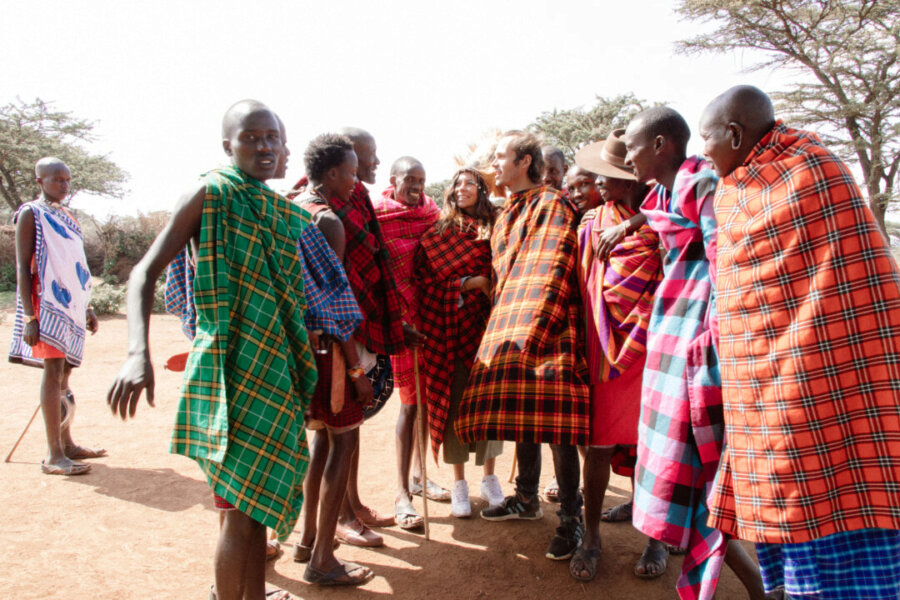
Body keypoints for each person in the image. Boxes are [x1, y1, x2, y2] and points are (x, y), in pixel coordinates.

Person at [108, 100, 313, 600]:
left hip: (275, 365)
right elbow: (143, 274)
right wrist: (138, 352)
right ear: (228, 146)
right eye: (251, 137)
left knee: (255, 504)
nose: (264, 146)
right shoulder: (210, 192)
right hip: (229, 369)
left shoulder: (280, 210)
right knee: (239, 513)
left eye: (273, 138)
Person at [701, 85, 900, 600]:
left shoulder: (814, 173)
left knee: (833, 502)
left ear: (736, 134)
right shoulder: (735, 190)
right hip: (765, 395)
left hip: (829, 388)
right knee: (791, 507)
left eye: (708, 140)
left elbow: (852, 289)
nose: (704, 152)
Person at [623, 107, 763, 599]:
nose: (628, 158)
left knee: (710, 468)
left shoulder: (701, 182)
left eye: (634, 148)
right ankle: (760, 587)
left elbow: (725, 258)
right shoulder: (663, 194)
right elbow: (664, 217)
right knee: (690, 469)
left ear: (661, 144)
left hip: (700, 340)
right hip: (672, 334)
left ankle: (765, 583)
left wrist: (712, 340)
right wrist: (631, 224)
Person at [457, 130, 589, 562]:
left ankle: (572, 518)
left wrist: (531, 329)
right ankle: (527, 499)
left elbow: (554, 267)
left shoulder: (554, 205)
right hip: (513, 329)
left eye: (501, 158)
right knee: (523, 417)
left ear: (525, 161)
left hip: (550, 330)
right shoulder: (505, 212)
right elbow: (507, 273)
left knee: (559, 428)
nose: (494, 165)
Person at [567, 131, 663, 582]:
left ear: (633, 180)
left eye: (610, 176)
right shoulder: (588, 223)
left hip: (651, 349)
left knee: (652, 448)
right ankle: (590, 536)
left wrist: (635, 224)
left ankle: (656, 538)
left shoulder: (662, 224)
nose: (599, 182)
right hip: (603, 350)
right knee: (599, 447)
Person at [323, 127, 422, 545]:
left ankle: (353, 505)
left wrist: (393, 323)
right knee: (335, 429)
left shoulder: (358, 198)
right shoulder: (323, 206)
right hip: (337, 333)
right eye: (369, 156)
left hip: (363, 325)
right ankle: (338, 521)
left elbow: (372, 266)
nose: (376, 163)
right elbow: (336, 285)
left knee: (350, 425)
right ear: (344, 161)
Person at [293, 133, 375, 586]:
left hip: (300, 349)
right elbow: (335, 306)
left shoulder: (289, 211)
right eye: (350, 172)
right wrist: (358, 369)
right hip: (328, 354)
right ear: (330, 175)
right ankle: (322, 559)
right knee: (341, 443)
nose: (356, 179)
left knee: (320, 445)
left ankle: (307, 539)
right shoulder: (328, 223)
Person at [414, 167, 505, 518]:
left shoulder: (497, 227)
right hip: (450, 332)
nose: (462, 188)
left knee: (488, 406)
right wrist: (467, 282)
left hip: (491, 331)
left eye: (471, 183)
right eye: (457, 183)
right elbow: (424, 283)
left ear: (483, 191)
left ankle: (490, 479)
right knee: (455, 406)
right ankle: (460, 484)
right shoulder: (440, 232)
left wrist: (491, 283)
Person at [10, 157, 103, 476]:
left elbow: (74, 264)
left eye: (67, 180)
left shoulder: (68, 218)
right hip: (46, 302)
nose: (64, 185)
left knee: (65, 374)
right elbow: (23, 267)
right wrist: (29, 316)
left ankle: (66, 444)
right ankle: (53, 456)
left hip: (72, 305)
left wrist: (87, 306)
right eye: (56, 180)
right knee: (52, 373)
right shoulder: (30, 215)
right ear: (40, 181)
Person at [373, 156, 447, 530]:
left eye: (422, 179)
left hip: (430, 316)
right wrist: (398, 322)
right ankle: (401, 491)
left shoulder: (432, 214)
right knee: (408, 405)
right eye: (410, 179)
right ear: (393, 180)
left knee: (425, 402)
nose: (417, 186)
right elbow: (373, 275)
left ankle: (420, 477)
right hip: (399, 323)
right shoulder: (377, 216)